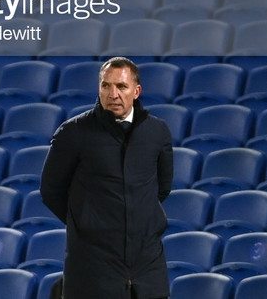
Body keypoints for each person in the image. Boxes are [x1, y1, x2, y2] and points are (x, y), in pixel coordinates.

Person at [39, 56, 174, 299]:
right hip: (92, 271)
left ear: (136, 91)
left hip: (148, 272)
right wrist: (88, 221)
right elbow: (51, 191)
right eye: (106, 85)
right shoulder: (73, 133)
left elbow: (162, 188)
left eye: (121, 86)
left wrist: (133, 217)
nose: (113, 94)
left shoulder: (157, 132)